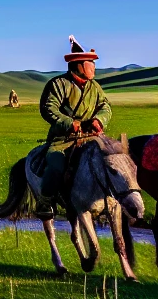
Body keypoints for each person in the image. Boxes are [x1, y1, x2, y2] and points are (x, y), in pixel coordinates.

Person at [37, 36, 112, 200]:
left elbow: (105, 106)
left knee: (114, 160)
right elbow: (48, 108)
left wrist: (99, 120)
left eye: (93, 64)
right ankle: (45, 202)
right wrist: (71, 124)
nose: (94, 68)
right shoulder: (58, 84)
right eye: (90, 64)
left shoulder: (95, 87)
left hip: (91, 137)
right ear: (79, 66)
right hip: (63, 139)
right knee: (56, 167)